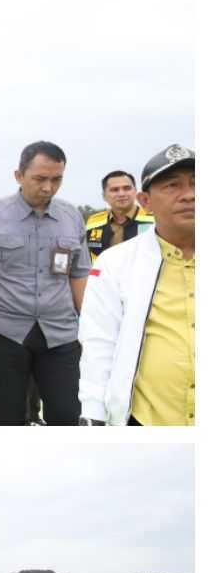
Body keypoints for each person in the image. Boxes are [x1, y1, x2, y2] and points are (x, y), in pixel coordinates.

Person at [0, 141, 91, 426]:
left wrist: (91, 332)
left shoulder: (72, 218)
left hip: (61, 334)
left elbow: (79, 275)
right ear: (19, 176)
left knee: (67, 415)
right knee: (4, 418)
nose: (48, 187)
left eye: (56, 180)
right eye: (40, 179)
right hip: (5, 332)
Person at [78, 145, 195, 426]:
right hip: (146, 420)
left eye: (196, 183)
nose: (190, 194)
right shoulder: (114, 262)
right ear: (146, 201)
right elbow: (99, 343)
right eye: (172, 185)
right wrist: (92, 413)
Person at [84, 171, 154, 262]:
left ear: (135, 191)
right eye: (115, 190)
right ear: (104, 196)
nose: (121, 194)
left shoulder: (154, 220)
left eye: (127, 188)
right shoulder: (93, 223)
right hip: (103, 275)